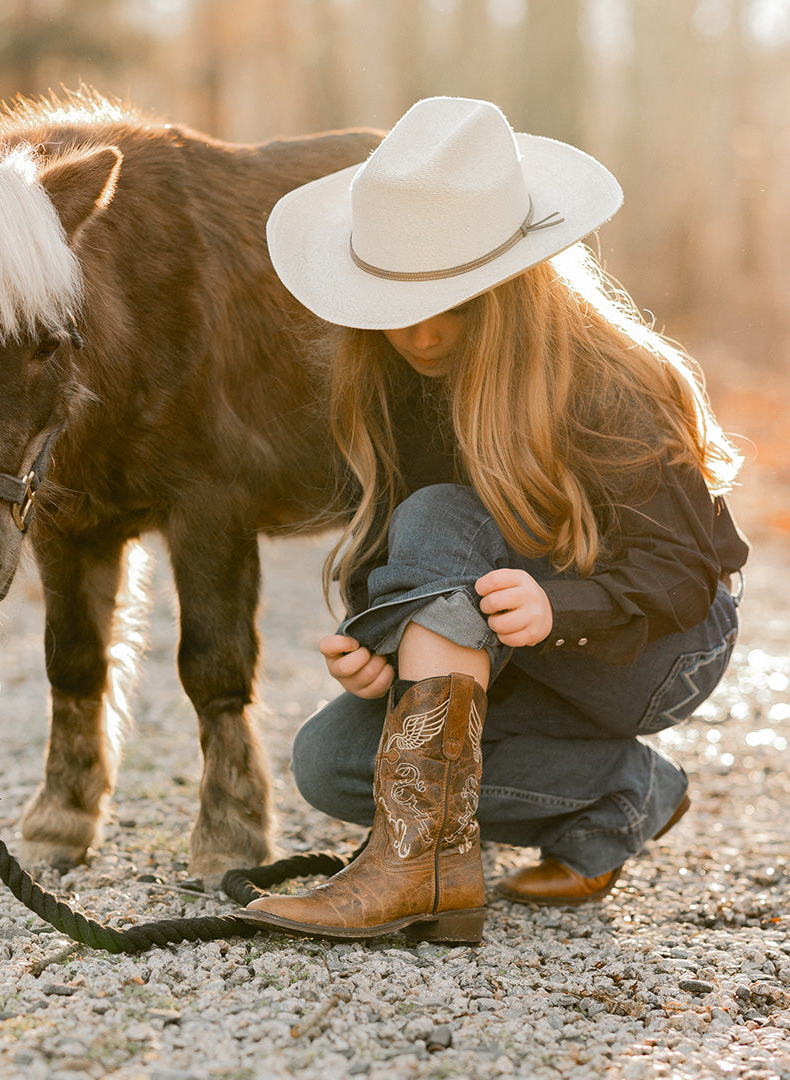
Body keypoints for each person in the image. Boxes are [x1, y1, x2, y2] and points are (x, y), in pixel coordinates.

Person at [239, 97, 747, 945]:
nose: (425, 334)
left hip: (653, 643)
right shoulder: (385, 376)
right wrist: (383, 639)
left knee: (444, 508)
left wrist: (559, 608)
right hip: (508, 636)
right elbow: (406, 543)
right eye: (399, 301)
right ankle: (624, 789)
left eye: (457, 301)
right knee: (328, 764)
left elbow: (683, 572)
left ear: (512, 280)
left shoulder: (609, 377)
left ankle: (415, 867)